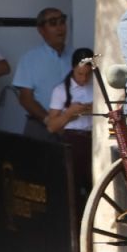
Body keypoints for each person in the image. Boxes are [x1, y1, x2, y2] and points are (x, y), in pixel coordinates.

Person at [0, 6, 71, 137]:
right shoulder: (30, 58)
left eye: (62, 22)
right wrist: (49, 121)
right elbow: (25, 98)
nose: (60, 28)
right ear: (41, 30)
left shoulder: (75, 56)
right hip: (41, 125)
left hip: (73, 127)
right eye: (53, 23)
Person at [46, 48, 97, 199]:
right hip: (73, 140)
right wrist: (69, 113)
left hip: (94, 140)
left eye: (88, 74)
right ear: (73, 68)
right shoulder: (61, 90)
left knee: (94, 183)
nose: (84, 78)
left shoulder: (96, 87)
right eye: (80, 74)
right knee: (72, 186)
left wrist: (93, 108)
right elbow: (51, 126)